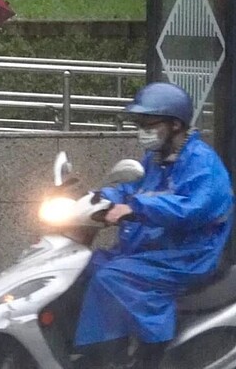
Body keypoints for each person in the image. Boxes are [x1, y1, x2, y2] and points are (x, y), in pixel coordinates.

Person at [73, 82, 234, 369]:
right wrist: (98, 200)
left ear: (174, 124)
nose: (142, 130)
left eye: (149, 123)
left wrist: (135, 209)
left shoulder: (202, 162)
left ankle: (147, 354)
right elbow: (130, 188)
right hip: (156, 247)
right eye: (140, 123)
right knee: (87, 265)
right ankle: (100, 346)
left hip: (190, 255)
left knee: (114, 277)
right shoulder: (155, 159)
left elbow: (190, 209)